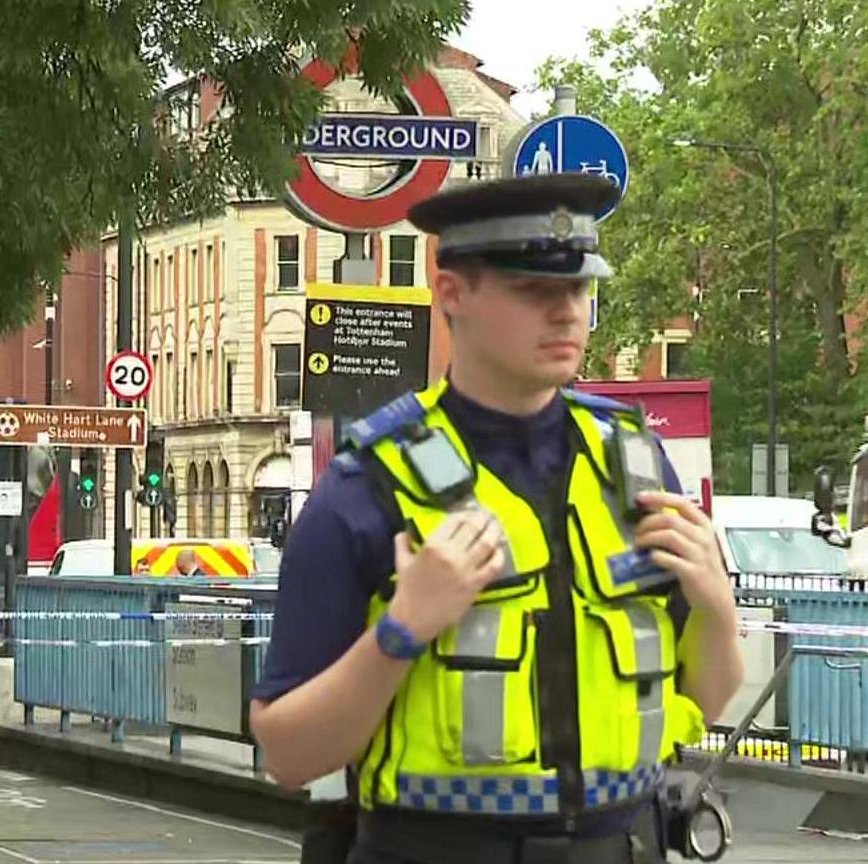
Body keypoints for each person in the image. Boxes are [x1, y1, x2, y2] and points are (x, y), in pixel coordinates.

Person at [248, 174, 744, 864]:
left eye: (577, 289)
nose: (567, 313)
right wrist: (403, 628)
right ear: (452, 293)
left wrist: (717, 609)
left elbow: (704, 700)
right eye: (533, 290)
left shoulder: (632, 465)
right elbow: (288, 754)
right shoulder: (368, 489)